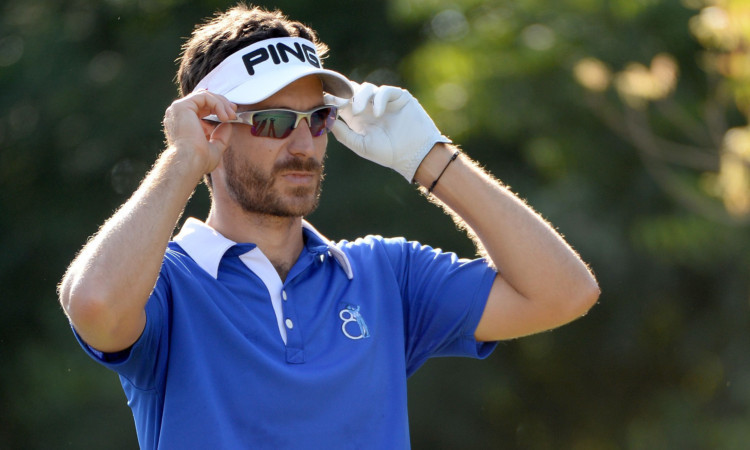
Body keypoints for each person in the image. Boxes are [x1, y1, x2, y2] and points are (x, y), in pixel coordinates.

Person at [58, 4, 599, 449]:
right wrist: (180, 162)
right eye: (273, 122)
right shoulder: (165, 284)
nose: (303, 146)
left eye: (316, 119)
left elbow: (564, 292)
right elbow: (94, 307)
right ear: (212, 131)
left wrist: (431, 161)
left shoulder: (385, 273)